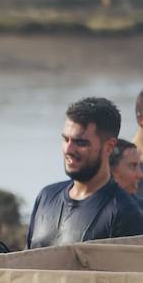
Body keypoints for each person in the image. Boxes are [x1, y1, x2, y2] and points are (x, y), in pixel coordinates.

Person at [26, 98, 143, 248]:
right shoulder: (46, 197)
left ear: (109, 147)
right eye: (65, 139)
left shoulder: (125, 212)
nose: (68, 149)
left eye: (80, 143)